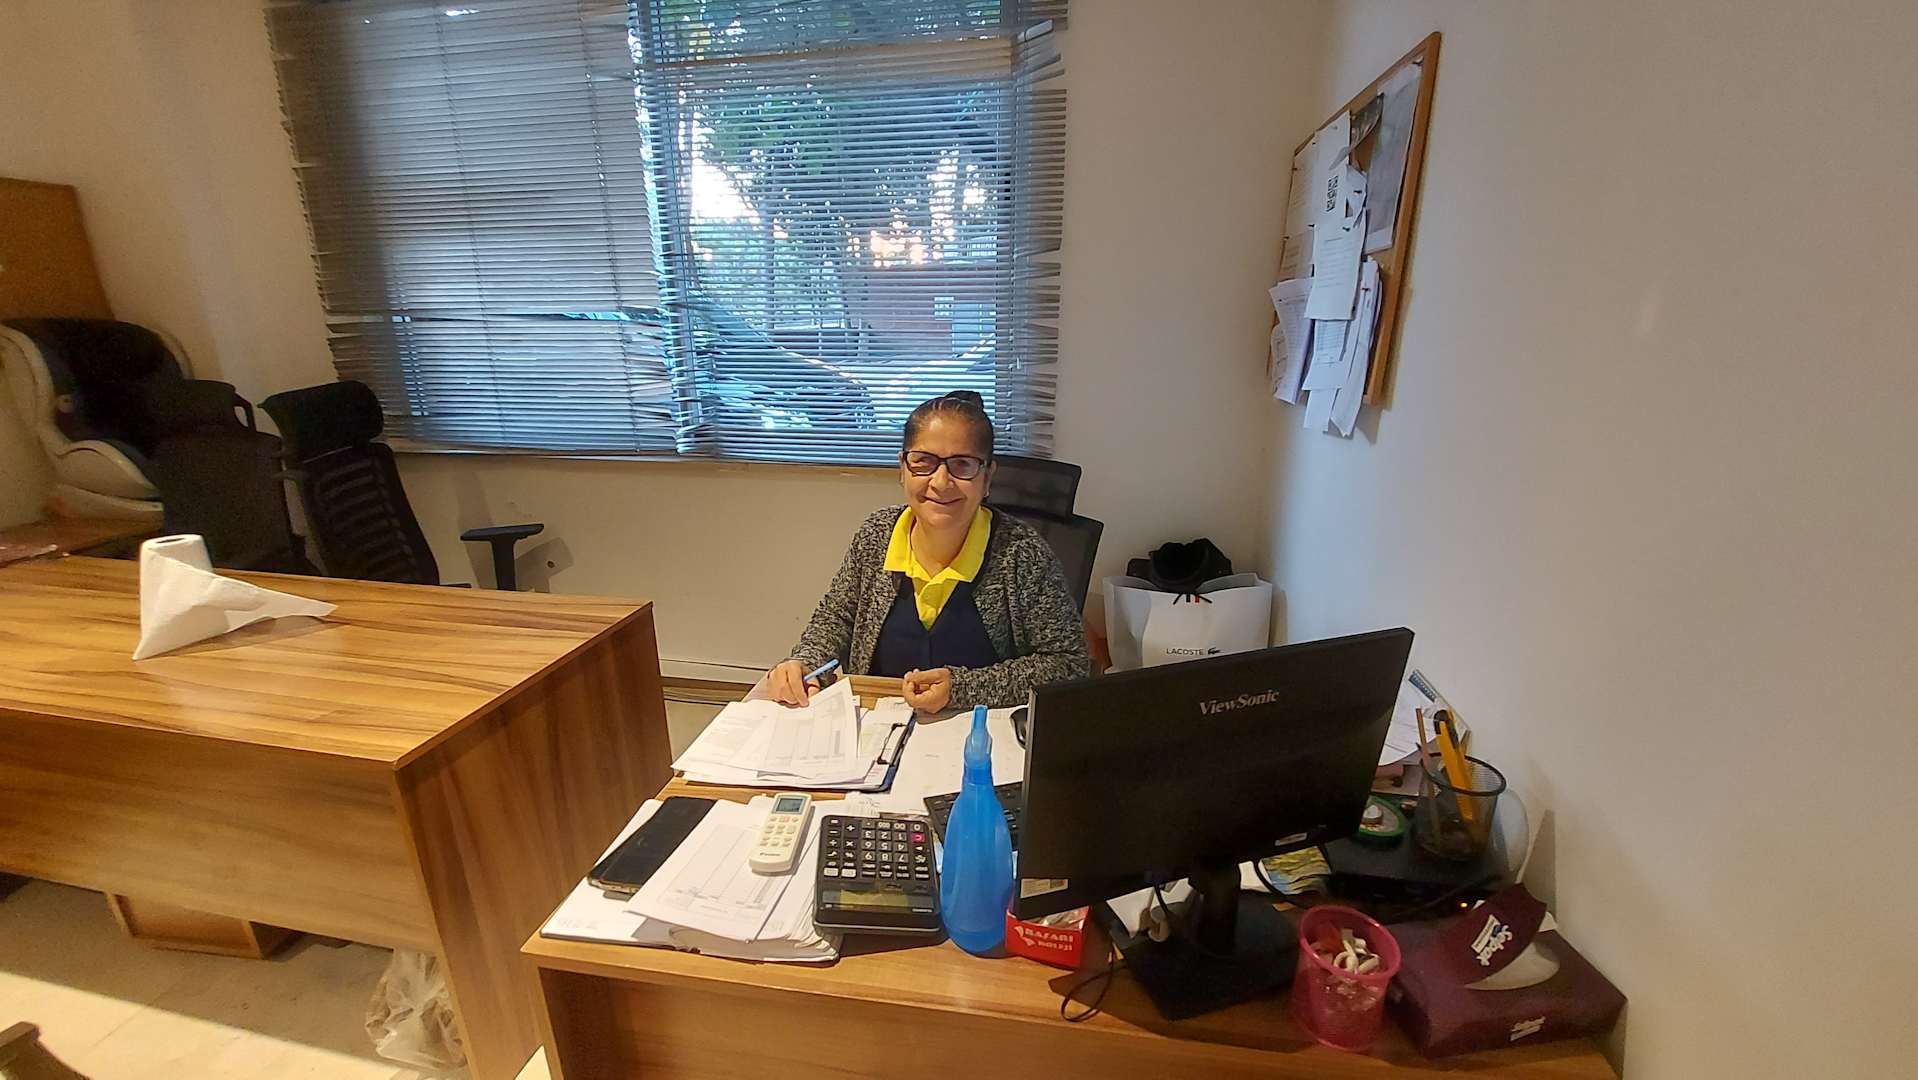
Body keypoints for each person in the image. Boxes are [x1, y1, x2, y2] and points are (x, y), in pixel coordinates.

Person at [768, 391, 1091, 713]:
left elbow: (1068, 663)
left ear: (987, 477)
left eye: (962, 464)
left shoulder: (1023, 553)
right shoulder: (876, 535)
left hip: (976, 728)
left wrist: (962, 688)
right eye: (923, 461)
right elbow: (837, 618)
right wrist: (805, 662)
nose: (940, 482)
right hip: (877, 720)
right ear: (903, 468)